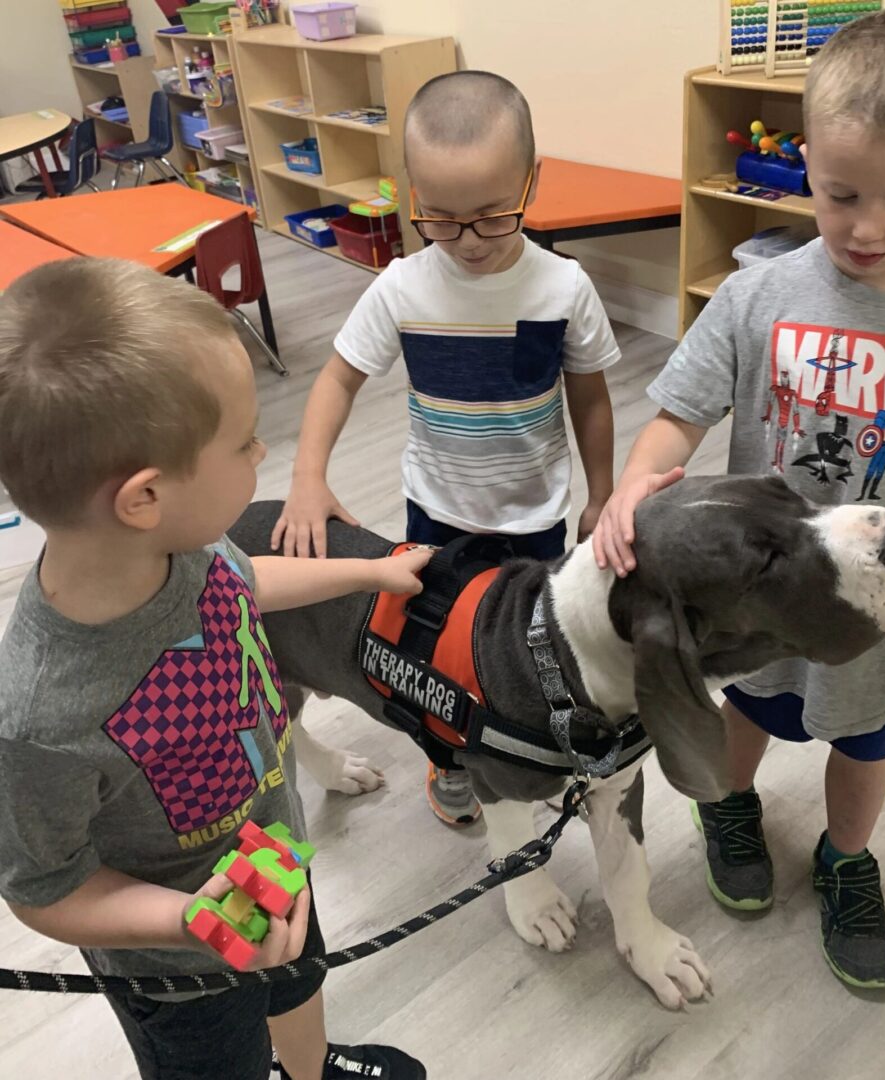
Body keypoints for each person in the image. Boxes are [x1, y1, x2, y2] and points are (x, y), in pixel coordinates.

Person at [594, 7, 885, 989]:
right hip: (767, 597)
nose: (867, 226)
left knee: (868, 736)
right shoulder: (757, 295)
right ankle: (728, 806)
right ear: (806, 163)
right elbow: (678, 412)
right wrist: (640, 477)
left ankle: (848, 860)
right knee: (751, 710)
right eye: (842, 193)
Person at [0, 259, 433, 1080]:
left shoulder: (187, 547)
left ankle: (307, 1071)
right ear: (143, 498)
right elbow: (44, 888)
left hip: (276, 854)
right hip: (179, 971)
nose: (263, 451)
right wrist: (187, 920)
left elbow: (246, 586)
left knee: (301, 982)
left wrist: (369, 575)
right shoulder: (41, 718)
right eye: (243, 443)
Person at [273, 71, 620, 827]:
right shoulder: (402, 289)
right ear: (414, 197)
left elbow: (590, 398)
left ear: (531, 181)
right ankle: (448, 759)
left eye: (492, 217)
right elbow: (337, 378)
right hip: (436, 513)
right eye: (442, 218)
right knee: (432, 654)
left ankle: (532, 747)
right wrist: (307, 477)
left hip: (534, 516)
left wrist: (601, 492)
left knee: (530, 643)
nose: (466, 241)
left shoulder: (564, 288)